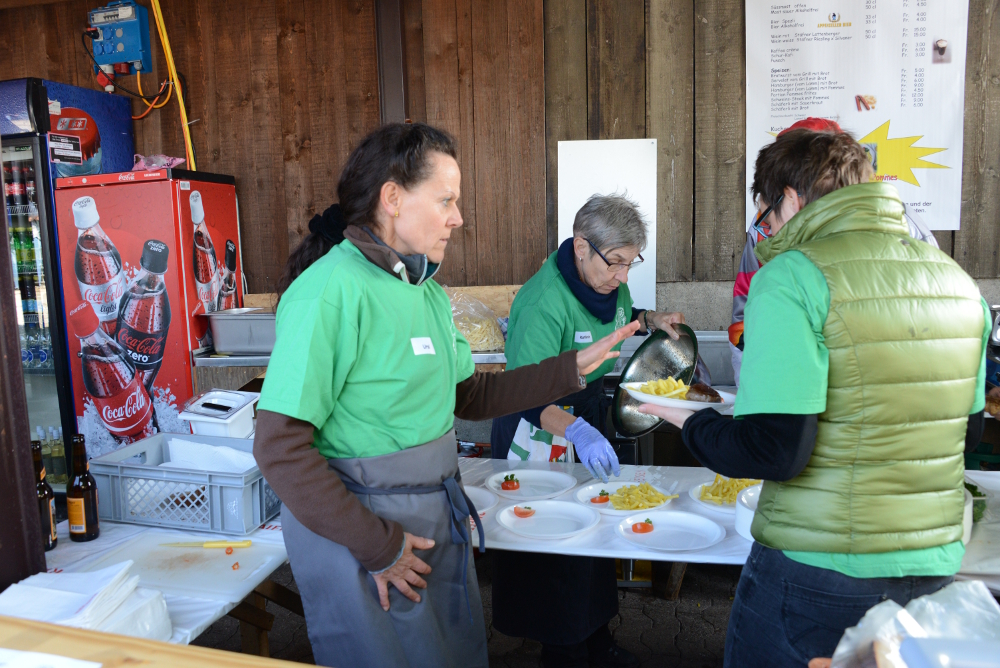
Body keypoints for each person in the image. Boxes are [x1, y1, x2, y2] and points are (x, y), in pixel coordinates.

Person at [252, 123, 640, 668]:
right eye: (446, 200)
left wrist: (567, 369)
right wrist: (378, 546)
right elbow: (279, 447)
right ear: (392, 198)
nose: (458, 217)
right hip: (366, 529)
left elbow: (471, 396)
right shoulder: (328, 293)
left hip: (433, 513)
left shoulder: (427, 292)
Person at [639, 129, 989, 667]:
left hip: (816, 572)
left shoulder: (791, 279)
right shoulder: (957, 281)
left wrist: (690, 422)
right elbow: (968, 435)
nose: (768, 231)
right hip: (933, 567)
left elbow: (774, 451)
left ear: (791, 199)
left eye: (767, 217)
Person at [490, 194, 684, 668]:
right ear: (581, 247)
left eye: (630, 262)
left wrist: (649, 320)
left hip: (585, 417)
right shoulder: (542, 302)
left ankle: (596, 640)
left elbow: (618, 319)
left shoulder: (607, 285)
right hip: (541, 426)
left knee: (594, 534)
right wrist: (577, 431)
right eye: (615, 262)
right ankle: (564, 650)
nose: (623, 275)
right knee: (556, 543)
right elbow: (524, 394)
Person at [729, 117, 940, 386]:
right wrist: (747, 383)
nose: (770, 228)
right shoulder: (763, 227)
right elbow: (745, 318)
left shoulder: (908, 226)